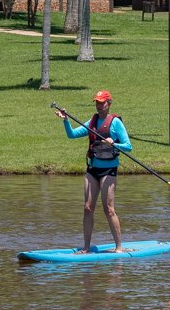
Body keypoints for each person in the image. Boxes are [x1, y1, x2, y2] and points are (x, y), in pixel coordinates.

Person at [55, 90, 133, 253]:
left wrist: (114, 144)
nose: (99, 105)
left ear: (109, 104)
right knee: (87, 208)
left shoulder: (115, 123)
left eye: (102, 102)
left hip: (109, 170)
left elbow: (128, 146)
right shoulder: (92, 122)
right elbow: (72, 135)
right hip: (92, 169)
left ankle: (119, 247)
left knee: (108, 209)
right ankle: (86, 247)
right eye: (97, 102)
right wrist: (66, 120)